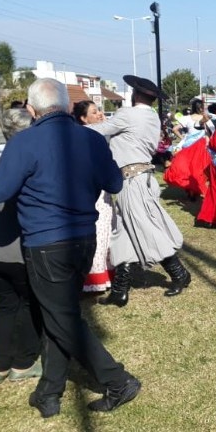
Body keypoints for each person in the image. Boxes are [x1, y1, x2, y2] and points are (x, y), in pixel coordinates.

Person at [0, 78, 139, 417]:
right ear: (66, 106)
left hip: (46, 243)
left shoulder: (26, 142)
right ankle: (49, 391)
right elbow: (113, 181)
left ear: (32, 110)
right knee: (58, 314)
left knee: (62, 317)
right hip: (83, 238)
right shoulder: (92, 139)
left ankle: (117, 380)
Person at [90, 75, 190, 307]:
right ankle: (120, 290)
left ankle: (179, 273)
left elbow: (99, 130)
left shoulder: (128, 115)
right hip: (139, 177)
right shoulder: (152, 116)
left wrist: (73, 126)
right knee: (123, 233)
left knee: (146, 229)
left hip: (132, 180)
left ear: (135, 94)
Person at [0, 108, 42, 386]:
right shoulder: (28, 162)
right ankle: (24, 362)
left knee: (3, 304)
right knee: (27, 303)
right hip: (15, 248)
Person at [72, 100, 115, 293]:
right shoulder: (87, 136)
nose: (99, 114)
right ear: (83, 118)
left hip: (102, 188)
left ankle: (105, 271)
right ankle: (94, 276)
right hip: (94, 188)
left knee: (107, 230)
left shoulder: (97, 133)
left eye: (99, 111)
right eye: (94, 112)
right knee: (99, 229)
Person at [165, 98, 211, 200]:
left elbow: (174, 129)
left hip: (189, 145)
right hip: (202, 146)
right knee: (200, 169)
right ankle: (197, 188)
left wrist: (183, 138)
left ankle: (191, 190)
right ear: (202, 107)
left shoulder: (186, 118)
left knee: (188, 168)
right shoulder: (207, 118)